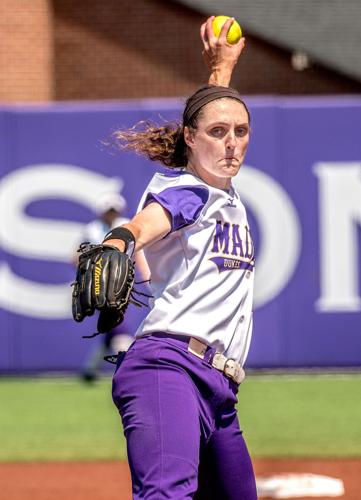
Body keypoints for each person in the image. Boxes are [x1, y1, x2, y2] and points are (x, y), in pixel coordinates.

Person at [96, 17, 256, 498]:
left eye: (241, 131)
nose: (231, 143)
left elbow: (209, 122)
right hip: (169, 371)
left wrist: (220, 72)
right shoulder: (186, 192)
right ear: (190, 138)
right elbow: (146, 223)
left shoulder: (219, 192)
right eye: (218, 132)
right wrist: (120, 242)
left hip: (220, 390)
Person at [75, 191, 149, 382]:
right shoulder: (92, 230)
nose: (111, 214)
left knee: (113, 326)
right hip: (100, 285)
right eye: (108, 210)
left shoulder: (126, 225)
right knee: (117, 326)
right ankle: (133, 369)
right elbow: (75, 257)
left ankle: (90, 369)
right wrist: (87, 272)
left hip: (123, 284)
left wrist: (147, 278)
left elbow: (138, 255)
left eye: (114, 210)